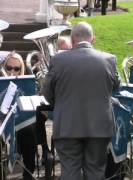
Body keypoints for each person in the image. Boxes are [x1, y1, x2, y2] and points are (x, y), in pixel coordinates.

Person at [42, 21, 120, 180]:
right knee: (95, 172)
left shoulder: (58, 60)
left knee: (70, 171)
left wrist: (61, 102)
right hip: (99, 126)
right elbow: (115, 88)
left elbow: (47, 93)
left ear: (72, 39)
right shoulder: (109, 59)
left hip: (67, 125)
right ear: (93, 39)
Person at [1, 51, 36, 180]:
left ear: (21, 69)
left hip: (21, 122)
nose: (12, 71)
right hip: (2, 122)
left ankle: (28, 172)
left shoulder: (27, 82)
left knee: (29, 131)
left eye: (16, 69)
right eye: (9, 68)